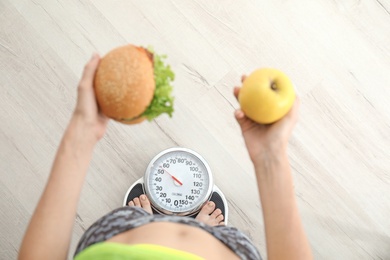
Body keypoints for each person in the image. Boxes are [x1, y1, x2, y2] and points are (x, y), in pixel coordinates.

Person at [18, 54, 313, 260]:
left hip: (121, 236)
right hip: (225, 249)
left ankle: (141, 219)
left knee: (133, 215)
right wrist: (270, 156)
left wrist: (81, 133)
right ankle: (206, 230)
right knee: (207, 230)